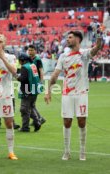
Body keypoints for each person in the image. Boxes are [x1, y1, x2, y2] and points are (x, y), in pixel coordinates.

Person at [44, 30, 102, 161]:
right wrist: (48, 91)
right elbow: (55, 75)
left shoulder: (84, 54)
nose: (67, 39)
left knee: (81, 122)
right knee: (67, 121)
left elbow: (97, 47)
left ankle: (82, 151)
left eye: (70, 37)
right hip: (67, 94)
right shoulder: (63, 57)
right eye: (67, 37)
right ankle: (67, 152)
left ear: (78, 39)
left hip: (81, 93)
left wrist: (98, 35)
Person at [16, 53, 42, 132]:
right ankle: (37, 121)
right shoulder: (32, 65)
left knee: (24, 109)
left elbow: (23, 79)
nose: (19, 62)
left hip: (27, 90)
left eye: (19, 60)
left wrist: (17, 77)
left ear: (22, 60)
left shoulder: (24, 67)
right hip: (35, 89)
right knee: (31, 106)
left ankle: (25, 127)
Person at [27, 45, 46, 125]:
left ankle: (39, 118)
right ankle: (37, 119)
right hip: (30, 83)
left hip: (35, 83)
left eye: (31, 50)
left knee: (30, 103)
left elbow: (41, 71)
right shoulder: (29, 59)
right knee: (31, 104)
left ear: (35, 51)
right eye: (29, 50)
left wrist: (41, 82)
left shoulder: (37, 60)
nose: (30, 52)